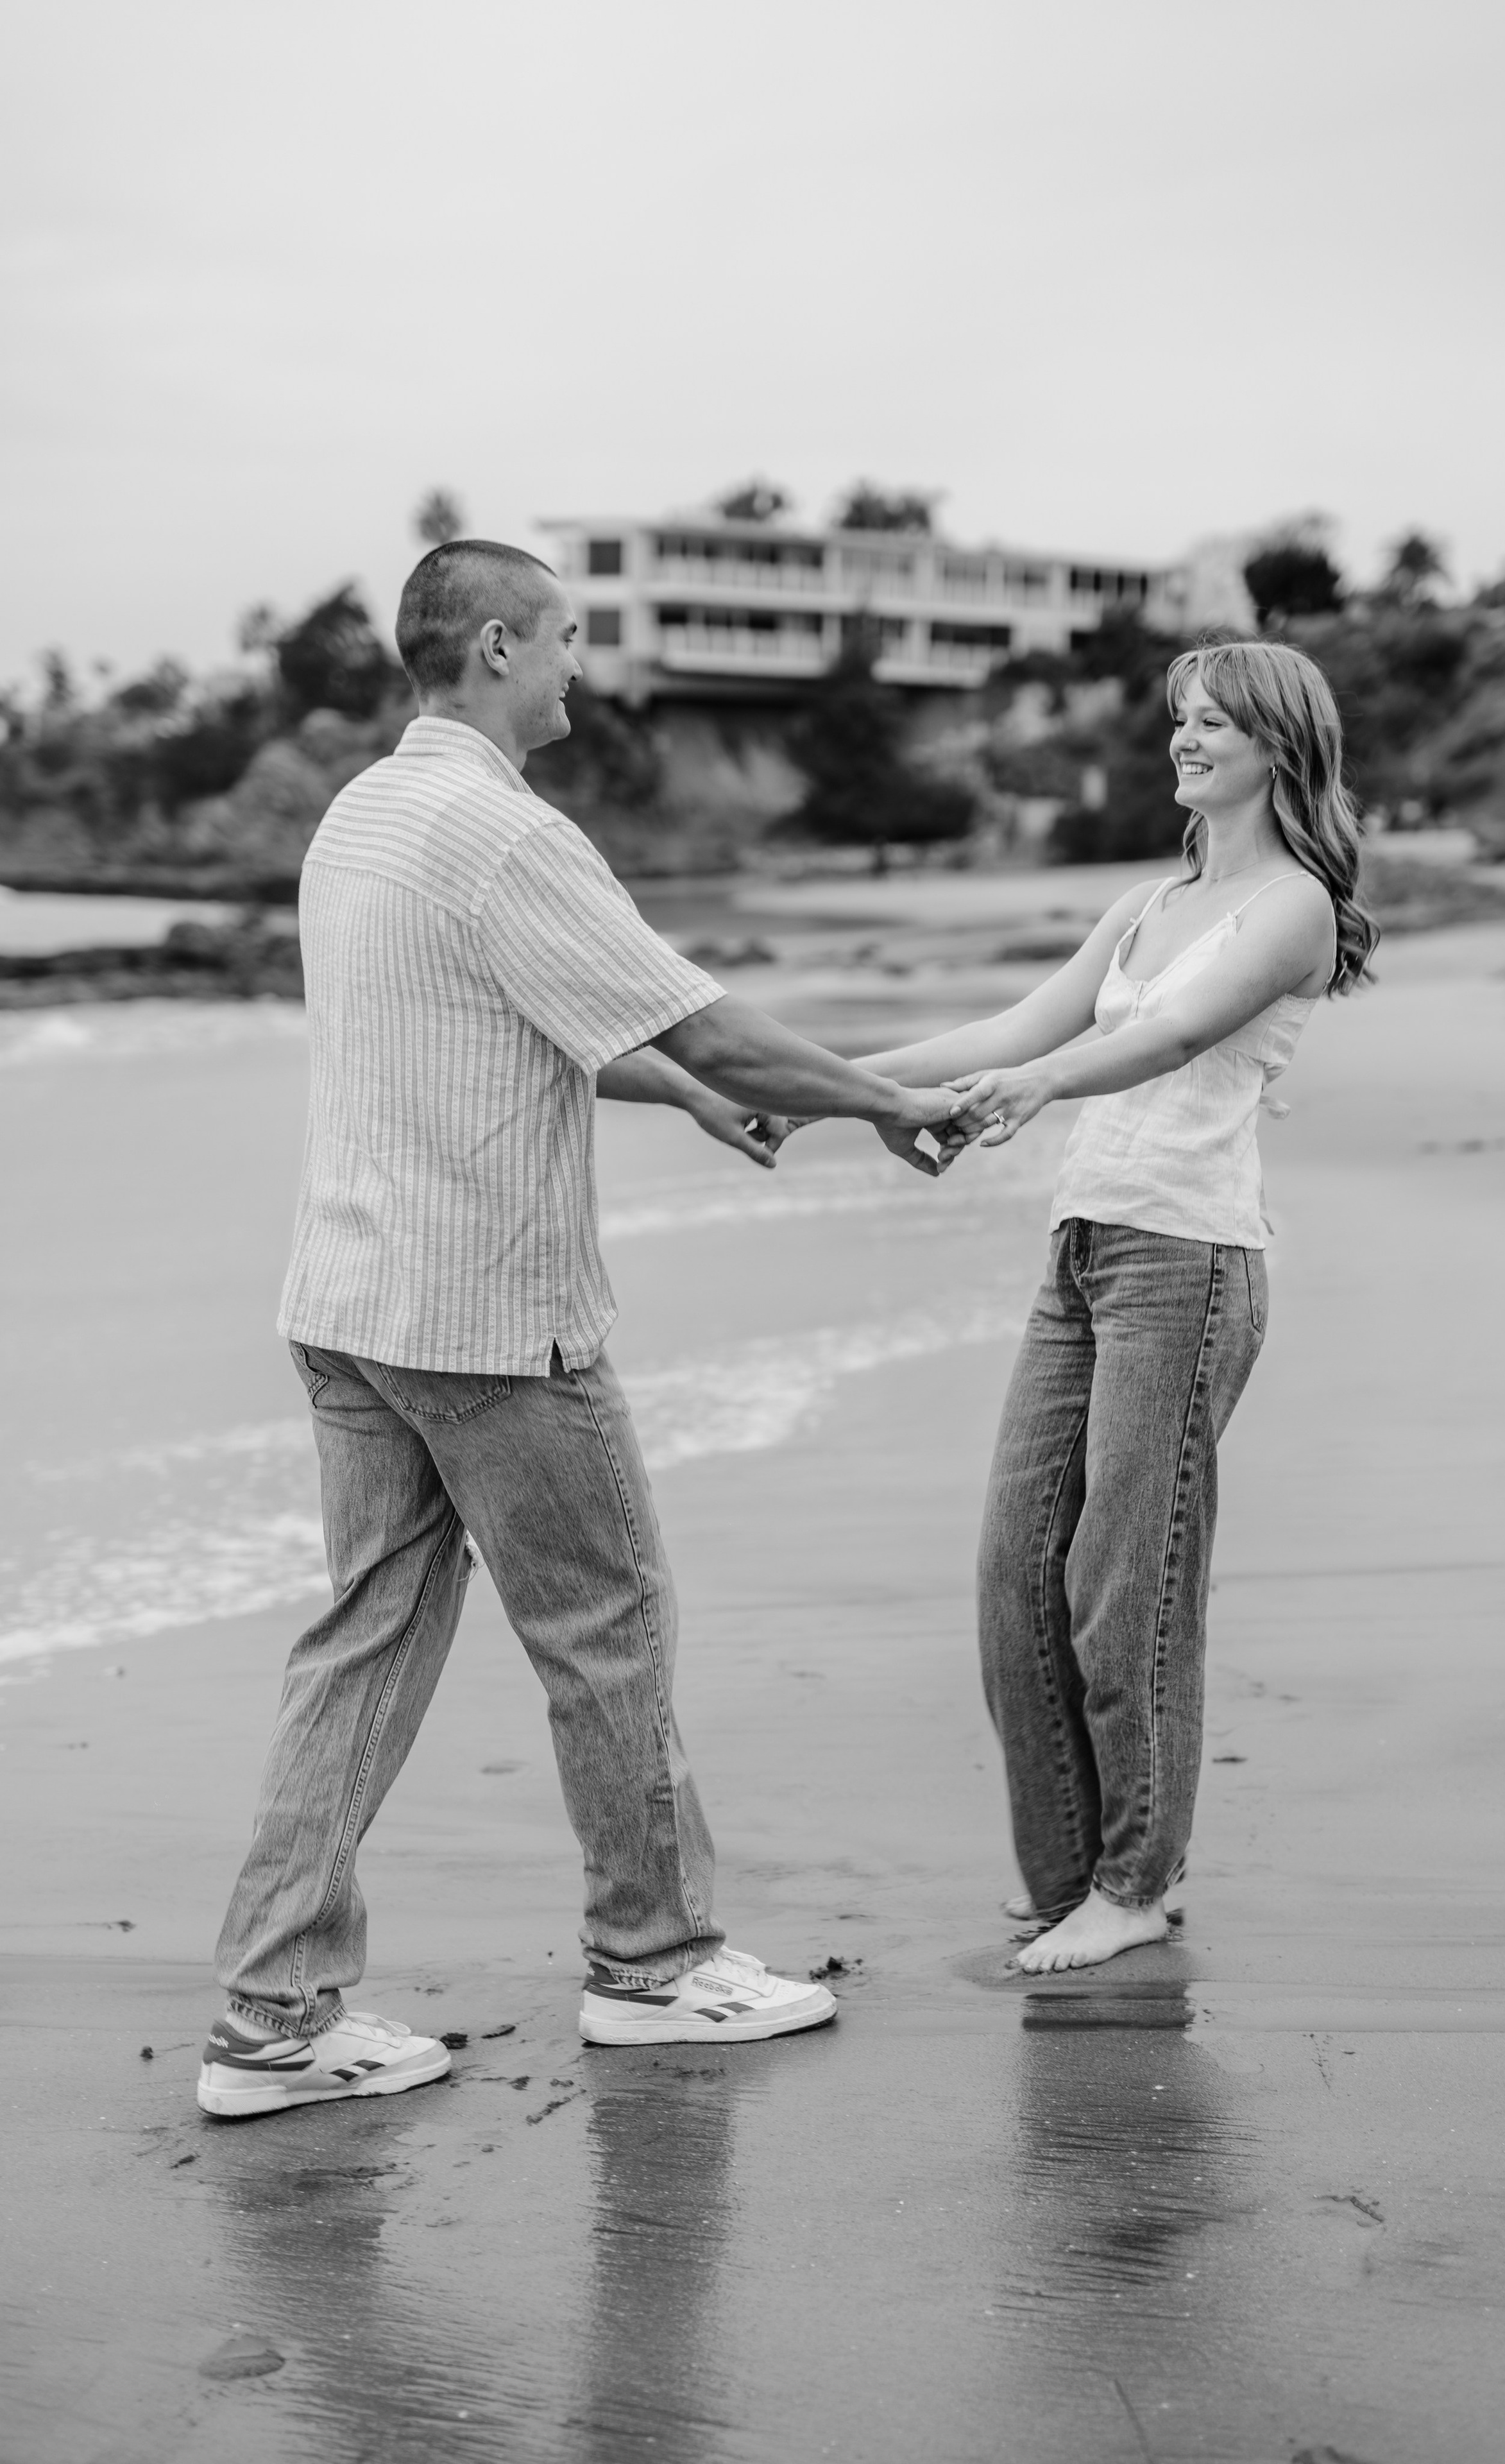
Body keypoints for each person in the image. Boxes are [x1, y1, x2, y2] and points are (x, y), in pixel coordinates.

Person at [197, 540, 956, 2118]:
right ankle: (654, 1966)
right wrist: (881, 1099)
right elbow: (710, 1022)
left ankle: (269, 2018)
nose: (579, 668)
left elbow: (538, 1021)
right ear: (494, 647)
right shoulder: (507, 833)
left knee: (359, 1647)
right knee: (607, 1628)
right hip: (487, 1316)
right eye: (561, 639)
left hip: (348, 1305)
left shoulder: (361, 817)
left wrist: (681, 1096)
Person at [863, 639, 1377, 1971]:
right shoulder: (1150, 902)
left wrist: (1044, 1087)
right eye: (1179, 720)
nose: (1182, 740)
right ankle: (1066, 1881)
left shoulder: (1294, 907)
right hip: (1083, 1251)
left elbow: (1167, 1037)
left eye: (1212, 723)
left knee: (1123, 1585)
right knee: (1014, 1572)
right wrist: (834, 1090)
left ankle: (1135, 1882)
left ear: (1277, 745)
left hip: (1186, 1265)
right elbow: (1011, 1030)